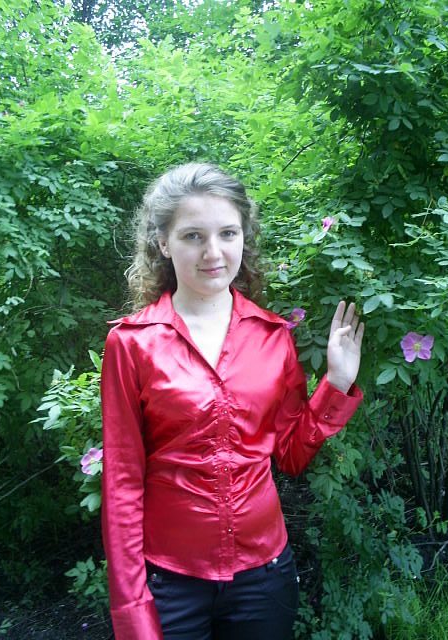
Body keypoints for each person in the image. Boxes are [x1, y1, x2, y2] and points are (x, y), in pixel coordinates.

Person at [101, 162, 364, 640]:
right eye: (193, 236)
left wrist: (337, 384)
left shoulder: (272, 337)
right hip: (171, 582)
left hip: (264, 579)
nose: (213, 252)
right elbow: (121, 483)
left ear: (244, 236)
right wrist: (133, 607)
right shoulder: (132, 344)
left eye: (227, 233)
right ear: (163, 243)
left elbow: (290, 455)